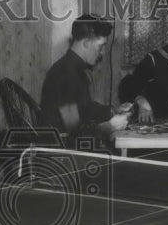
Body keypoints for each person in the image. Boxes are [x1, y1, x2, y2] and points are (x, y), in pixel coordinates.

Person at [40, 15, 131, 144]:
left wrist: (112, 110)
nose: (103, 52)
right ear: (86, 43)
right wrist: (110, 127)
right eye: (101, 46)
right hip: (63, 152)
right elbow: (73, 132)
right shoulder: (66, 74)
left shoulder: (71, 68)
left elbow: (83, 109)